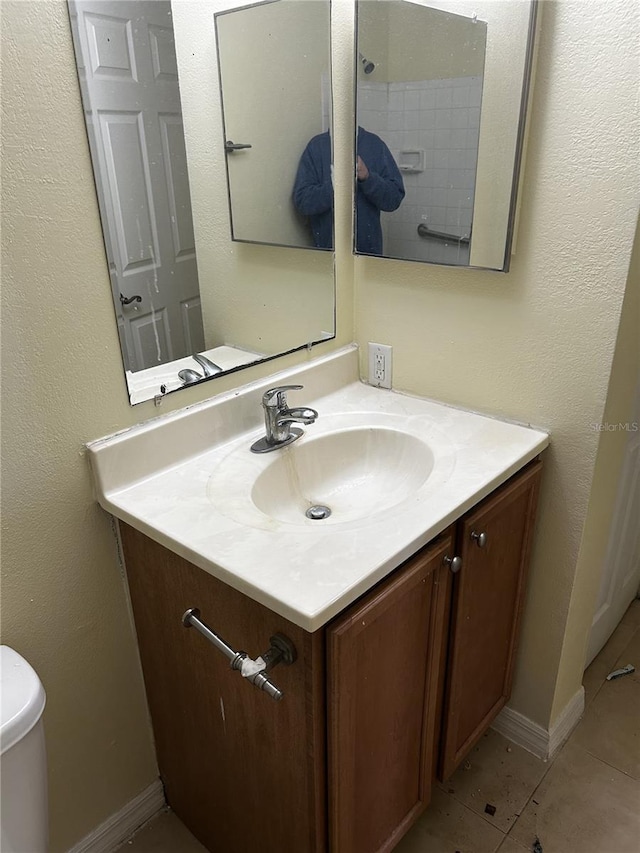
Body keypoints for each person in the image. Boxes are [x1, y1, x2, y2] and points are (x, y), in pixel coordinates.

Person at [292, 127, 405, 254]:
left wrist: (368, 177)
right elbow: (302, 202)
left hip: (369, 256)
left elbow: (394, 199)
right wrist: (335, 187)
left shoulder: (375, 145)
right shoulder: (316, 147)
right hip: (327, 256)